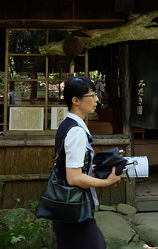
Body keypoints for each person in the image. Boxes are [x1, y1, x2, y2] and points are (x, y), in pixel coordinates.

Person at [52, 76, 122, 249]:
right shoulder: (76, 131)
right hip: (74, 206)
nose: (97, 99)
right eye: (91, 95)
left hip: (66, 205)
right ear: (76, 100)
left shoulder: (68, 124)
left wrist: (91, 167)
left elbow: (69, 165)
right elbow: (74, 178)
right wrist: (107, 182)